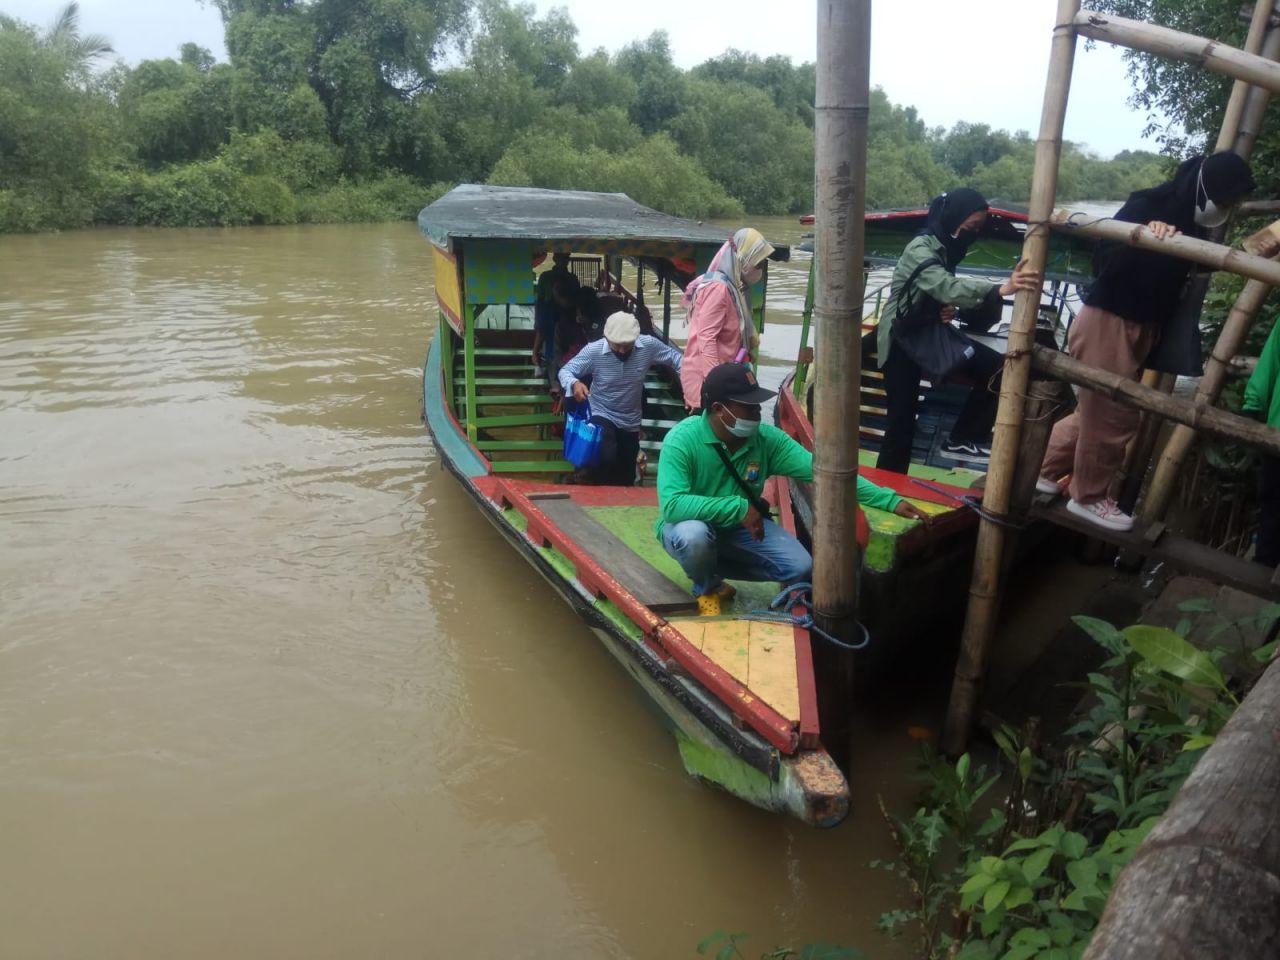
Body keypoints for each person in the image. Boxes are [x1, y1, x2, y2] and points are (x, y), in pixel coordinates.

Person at [1039, 152, 1255, 532]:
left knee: (1091, 413)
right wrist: (1143, 236)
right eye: (1225, 199)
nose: (1226, 208)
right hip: (1110, 319)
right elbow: (1104, 257)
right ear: (1209, 187)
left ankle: (1039, 472)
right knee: (1114, 413)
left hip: (1141, 326)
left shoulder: (1193, 220)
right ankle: (1087, 498)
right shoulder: (1150, 204)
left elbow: (1195, 268)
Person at [657, 362, 930, 615]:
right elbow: (672, 506)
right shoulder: (682, 440)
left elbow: (827, 475)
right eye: (748, 407)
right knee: (694, 537)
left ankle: (719, 571)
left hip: (741, 531)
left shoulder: (766, 441)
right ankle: (707, 587)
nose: (757, 413)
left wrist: (889, 500)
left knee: (801, 566)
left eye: (757, 405)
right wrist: (738, 507)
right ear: (719, 409)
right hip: (692, 526)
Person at [876, 189, 1043, 472]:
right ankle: (885, 487)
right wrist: (999, 289)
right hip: (900, 337)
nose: (974, 232)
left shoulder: (946, 249)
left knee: (996, 368)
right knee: (901, 421)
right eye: (972, 226)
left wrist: (943, 310)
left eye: (978, 228)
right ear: (954, 217)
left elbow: (938, 294)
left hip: (928, 332)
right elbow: (945, 286)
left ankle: (962, 437)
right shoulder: (921, 248)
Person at [558, 311, 683, 486]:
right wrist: (574, 383)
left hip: (630, 419)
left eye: (627, 345)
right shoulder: (594, 350)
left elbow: (677, 359)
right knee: (606, 455)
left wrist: (690, 381)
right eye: (617, 345)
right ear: (607, 338)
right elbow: (566, 370)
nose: (622, 350)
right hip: (601, 411)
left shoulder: (648, 346)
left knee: (625, 475)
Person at [680, 227, 775, 411]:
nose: (760, 270)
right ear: (742, 260)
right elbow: (706, 340)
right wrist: (715, 386)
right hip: (708, 382)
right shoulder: (718, 288)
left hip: (721, 376)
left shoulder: (733, 287)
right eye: (758, 264)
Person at [1241, 322, 1280, 566]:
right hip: (1278, 434)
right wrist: (1253, 404)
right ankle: (1264, 567)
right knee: (1273, 502)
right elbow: (1271, 359)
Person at [532, 252, 572, 375]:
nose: (565, 261)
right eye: (562, 258)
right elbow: (540, 302)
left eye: (566, 258)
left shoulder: (572, 279)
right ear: (555, 259)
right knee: (551, 352)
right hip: (549, 317)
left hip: (567, 320)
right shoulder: (545, 277)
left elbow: (574, 302)